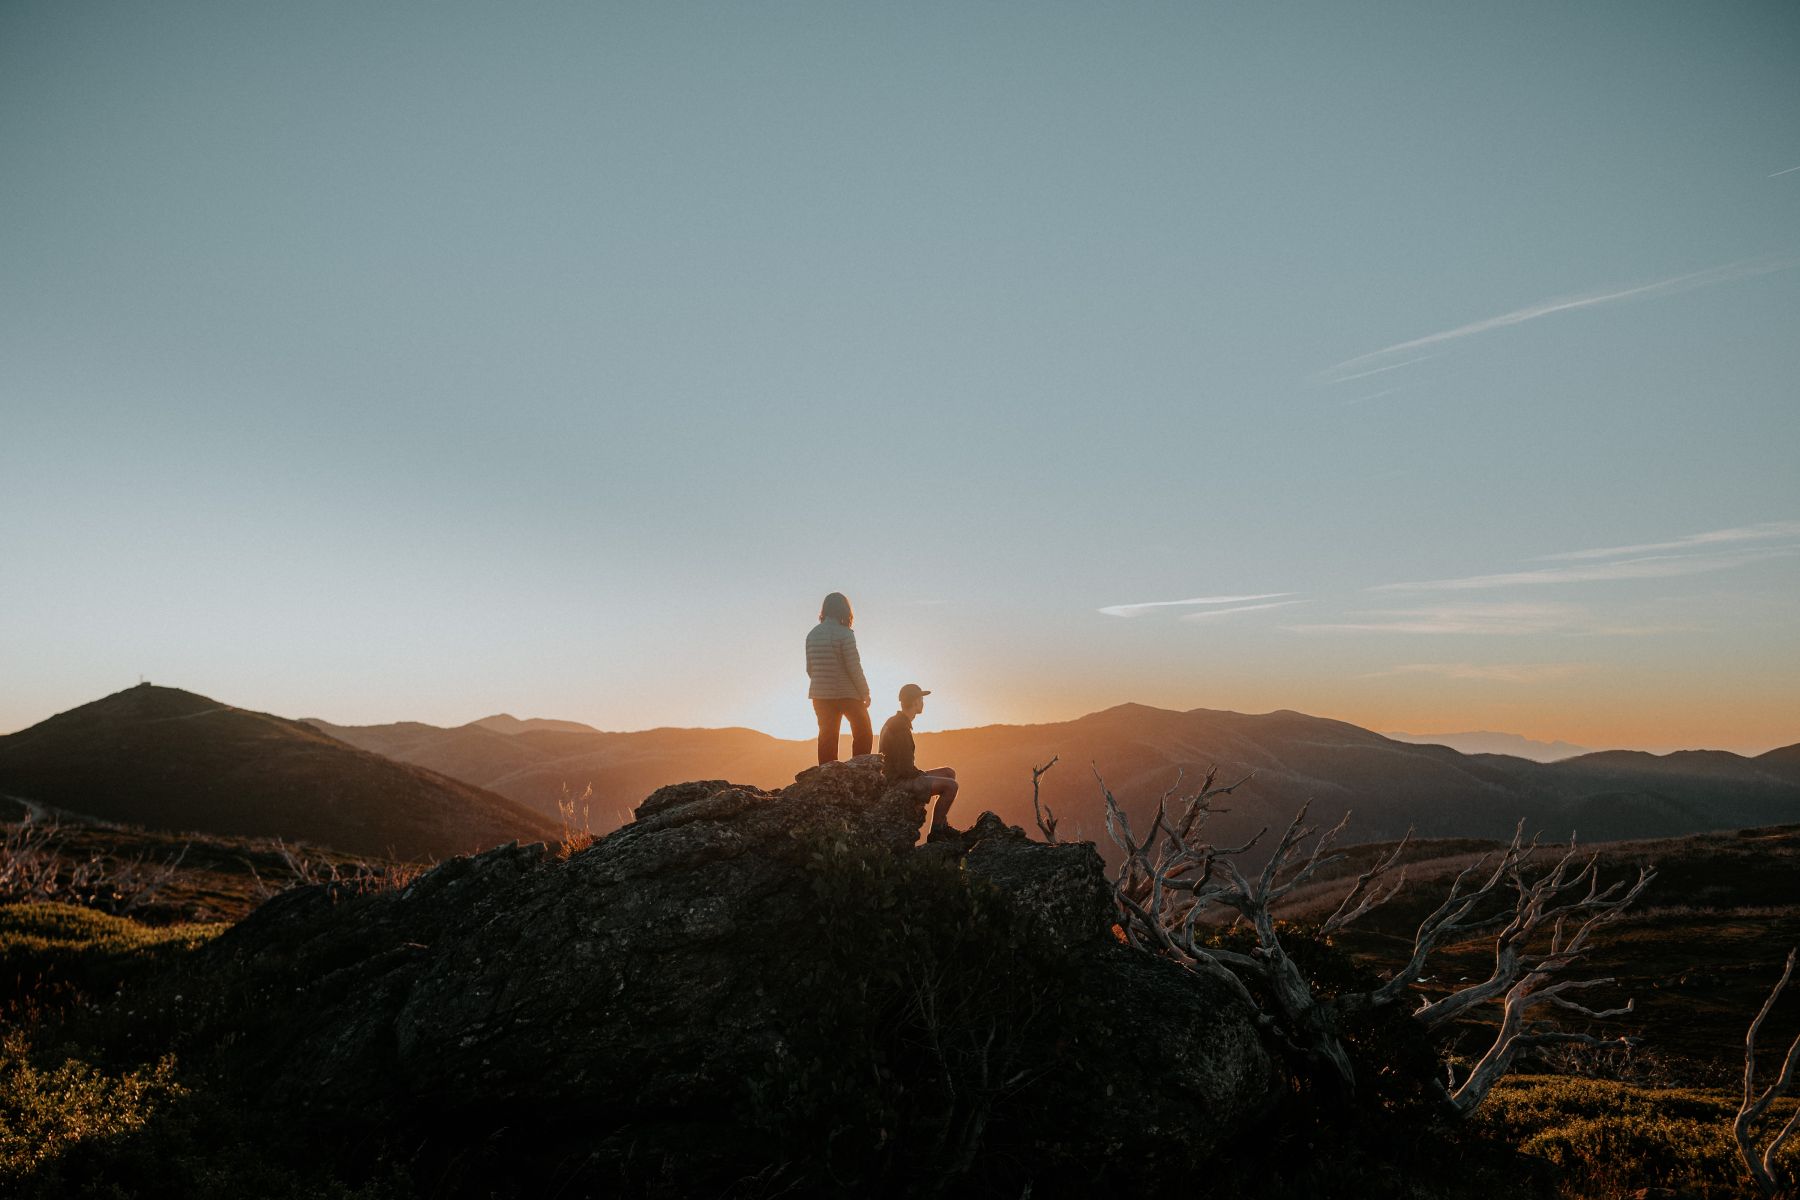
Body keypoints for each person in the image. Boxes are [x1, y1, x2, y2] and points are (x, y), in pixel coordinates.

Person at [879, 683, 959, 840]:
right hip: (897, 782)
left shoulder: (896, 722)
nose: (923, 703)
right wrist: (922, 776)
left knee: (949, 773)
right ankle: (936, 832)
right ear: (915, 702)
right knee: (951, 786)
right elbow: (905, 769)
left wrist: (922, 775)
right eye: (921, 699)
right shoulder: (900, 728)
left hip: (899, 776)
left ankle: (942, 824)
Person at [806, 591, 871, 764]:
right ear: (844, 610)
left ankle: (827, 777)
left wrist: (823, 683)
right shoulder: (845, 634)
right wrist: (865, 692)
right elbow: (853, 667)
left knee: (827, 737)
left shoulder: (812, 634)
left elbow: (810, 669)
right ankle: (860, 770)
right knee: (863, 731)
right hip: (848, 693)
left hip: (820, 695)